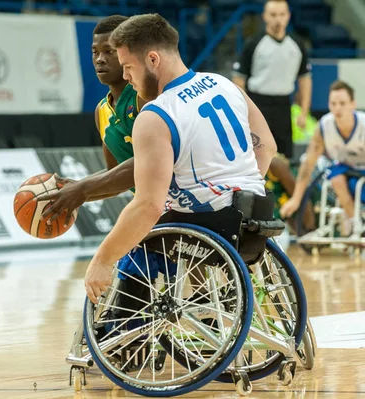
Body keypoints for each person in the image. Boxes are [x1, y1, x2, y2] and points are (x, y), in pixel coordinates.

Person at [84, 14, 277, 303]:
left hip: (208, 225)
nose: (125, 77)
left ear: (152, 59)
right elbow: (267, 146)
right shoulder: (224, 84)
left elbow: (147, 205)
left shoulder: (156, 115)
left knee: (138, 237)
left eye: (128, 67)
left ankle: (124, 333)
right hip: (256, 211)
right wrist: (241, 187)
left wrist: (102, 260)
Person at [39, 15, 143, 225]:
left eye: (109, 51)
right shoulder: (101, 111)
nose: (99, 59)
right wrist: (75, 189)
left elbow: (149, 163)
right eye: (95, 52)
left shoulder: (144, 97)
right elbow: (117, 176)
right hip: (151, 209)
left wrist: (84, 188)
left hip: (182, 204)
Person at [280, 80, 365, 236]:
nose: (337, 108)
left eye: (342, 103)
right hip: (344, 171)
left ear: (353, 104)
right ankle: (355, 224)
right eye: (333, 103)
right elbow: (308, 163)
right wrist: (296, 199)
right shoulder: (325, 126)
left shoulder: (363, 125)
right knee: (334, 176)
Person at [232, 0, 312, 160]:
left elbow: (305, 80)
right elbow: (238, 80)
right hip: (257, 104)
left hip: (283, 104)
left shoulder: (297, 45)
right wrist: (242, 111)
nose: (278, 19)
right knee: (257, 154)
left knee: (284, 155)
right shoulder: (253, 44)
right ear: (265, 17)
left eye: (282, 14)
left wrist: (304, 112)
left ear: (288, 16)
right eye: (273, 15)